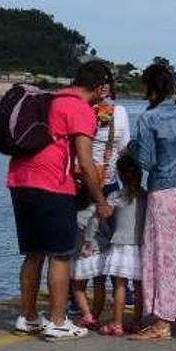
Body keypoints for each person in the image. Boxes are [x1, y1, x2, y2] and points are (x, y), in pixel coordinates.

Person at [7, 60, 114, 341]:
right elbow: (86, 162)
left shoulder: (50, 100)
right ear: (101, 86)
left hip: (19, 180)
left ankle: (28, 318)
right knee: (61, 254)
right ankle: (57, 321)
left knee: (34, 253)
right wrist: (100, 200)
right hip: (52, 184)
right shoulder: (80, 110)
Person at [130, 62, 176, 342]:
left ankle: (162, 321)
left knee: (162, 257)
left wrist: (131, 149)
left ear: (150, 89)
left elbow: (147, 161)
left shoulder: (149, 119)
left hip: (163, 192)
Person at [70, 95, 130, 331]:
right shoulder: (118, 114)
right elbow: (125, 148)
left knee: (84, 249)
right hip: (108, 184)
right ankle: (98, 311)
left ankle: (88, 312)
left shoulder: (85, 112)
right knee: (104, 250)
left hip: (87, 187)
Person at [100, 152, 145, 337]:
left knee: (120, 285)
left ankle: (117, 323)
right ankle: (137, 321)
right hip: (140, 246)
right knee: (139, 287)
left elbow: (105, 215)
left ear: (118, 174)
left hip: (120, 245)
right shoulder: (145, 195)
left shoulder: (116, 196)